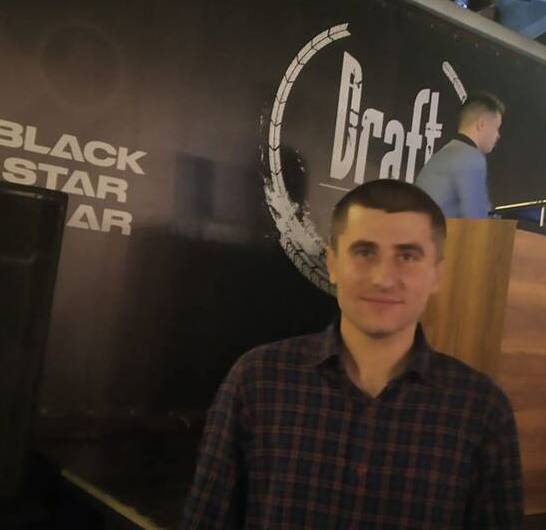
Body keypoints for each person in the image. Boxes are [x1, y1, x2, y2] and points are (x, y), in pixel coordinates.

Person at [182, 179, 523, 529]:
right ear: (332, 263)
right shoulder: (257, 382)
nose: (383, 279)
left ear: (436, 275)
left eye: (407, 256)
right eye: (364, 252)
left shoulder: (481, 411)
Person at [415, 92, 504, 218]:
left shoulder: (445, 154)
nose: (498, 135)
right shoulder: (471, 157)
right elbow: (477, 220)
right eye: (497, 127)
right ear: (482, 124)